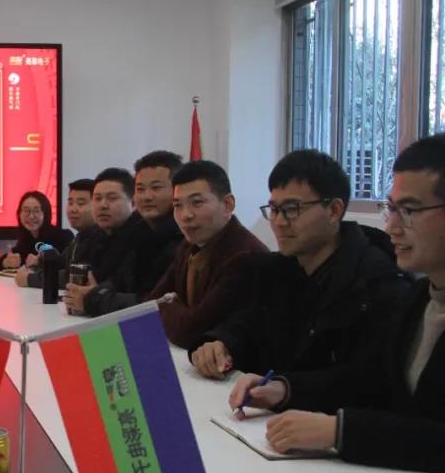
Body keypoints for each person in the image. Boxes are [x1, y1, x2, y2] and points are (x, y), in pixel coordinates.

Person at [229, 135, 445, 473]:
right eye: (391, 209)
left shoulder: (387, 286)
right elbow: (369, 378)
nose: (391, 227)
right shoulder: (421, 298)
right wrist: (283, 389)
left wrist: (340, 431)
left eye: (409, 211)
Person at [191, 150, 409, 380]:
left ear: (334, 210)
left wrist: (286, 388)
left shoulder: (377, 285)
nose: (279, 222)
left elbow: (363, 380)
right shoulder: (278, 270)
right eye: (274, 210)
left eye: (291, 209)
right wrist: (220, 343)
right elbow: (248, 325)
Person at [149, 160, 267, 348]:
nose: (185, 215)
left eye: (196, 203)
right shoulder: (188, 245)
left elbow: (189, 332)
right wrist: (171, 307)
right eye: (178, 205)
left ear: (227, 205)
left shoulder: (245, 256)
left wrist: (169, 304)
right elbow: (150, 305)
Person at [68, 153, 184, 315]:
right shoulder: (139, 233)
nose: (147, 196)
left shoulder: (185, 237)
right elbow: (119, 281)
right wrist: (93, 293)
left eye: (156, 188)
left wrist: (94, 299)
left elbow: (160, 304)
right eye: (140, 189)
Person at [15, 179, 96, 288]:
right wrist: (39, 262)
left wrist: (29, 279)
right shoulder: (80, 238)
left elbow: (74, 276)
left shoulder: (99, 237)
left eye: (80, 203)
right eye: (70, 203)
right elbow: (60, 263)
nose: (73, 209)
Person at [0, 191, 74, 271]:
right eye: (26, 211)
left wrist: (40, 263)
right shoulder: (25, 241)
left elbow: (70, 267)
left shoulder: (63, 236)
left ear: (46, 214)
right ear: (19, 214)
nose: (31, 216)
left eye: (36, 211)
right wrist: (5, 263)